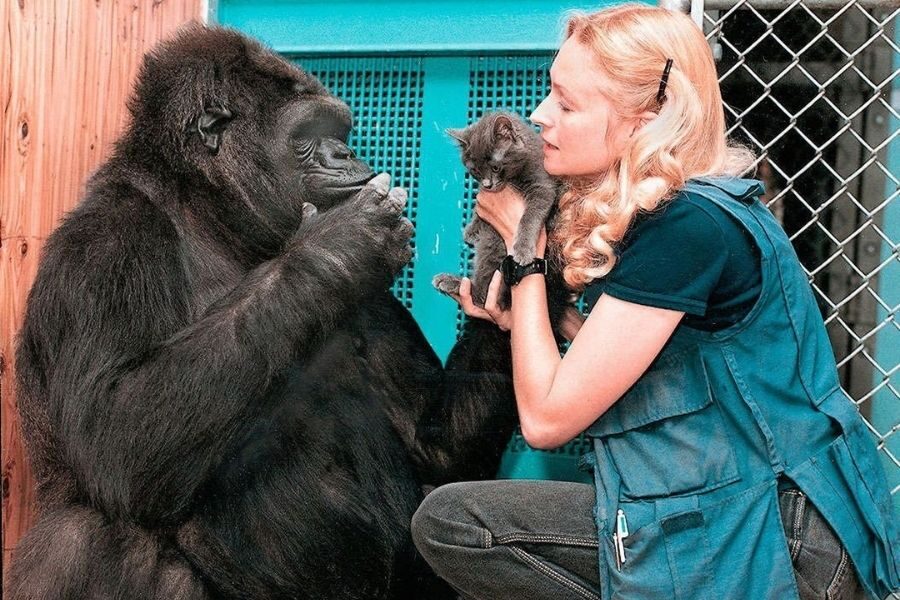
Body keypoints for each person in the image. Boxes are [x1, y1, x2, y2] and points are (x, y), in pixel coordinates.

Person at [410, 4, 900, 600]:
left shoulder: (689, 225)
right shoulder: (680, 215)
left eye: (567, 104)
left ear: (646, 119)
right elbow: (655, 365)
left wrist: (526, 249)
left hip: (775, 544)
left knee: (456, 524)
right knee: (458, 523)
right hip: (715, 515)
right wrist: (537, 321)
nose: (540, 116)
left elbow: (546, 419)